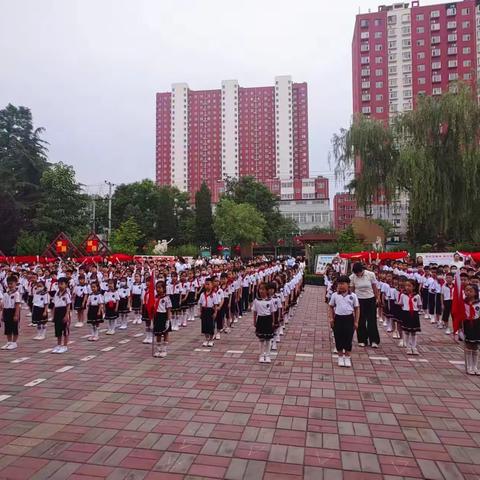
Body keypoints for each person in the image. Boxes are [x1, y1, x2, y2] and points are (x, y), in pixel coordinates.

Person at [328, 275, 360, 367]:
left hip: (349, 319)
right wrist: (331, 318)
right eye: (339, 284)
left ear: (348, 284)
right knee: (338, 337)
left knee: (348, 338)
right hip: (338, 318)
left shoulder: (353, 296)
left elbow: (357, 308)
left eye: (343, 284)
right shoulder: (335, 295)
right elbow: (330, 306)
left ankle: (347, 357)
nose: (340, 286)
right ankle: (340, 357)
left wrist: (356, 321)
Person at [350, 263, 380, 348]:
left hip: (370, 298)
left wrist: (377, 298)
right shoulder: (352, 277)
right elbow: (352, 290)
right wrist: (351, 301)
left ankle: (374, 340)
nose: (358, 275)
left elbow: (374, 287)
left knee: (372, 320)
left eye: (359, 273)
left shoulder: (370, 274)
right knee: (360, 320)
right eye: (356, 273)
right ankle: (362, 340)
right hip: (359, 300)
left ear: (362, 270)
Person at [253, 282, 275, 363]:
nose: (261, 291)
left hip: (268, 319)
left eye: (263, 289)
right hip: (260, 319)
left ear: (267, 291)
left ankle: (268, 355)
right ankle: (261, 355)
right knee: (261, 339)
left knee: (268, 339)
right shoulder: (256, 300)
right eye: (260, 289)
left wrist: (273, 321)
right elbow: (255, 312)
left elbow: (272, 312)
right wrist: (254, 321)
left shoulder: (270, 301)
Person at [399, 279, 422, 355]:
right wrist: (405, 310)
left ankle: (414, 347)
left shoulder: (417, 296)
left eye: (410, 286)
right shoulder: (403, 295)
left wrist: (416, 311)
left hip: (414, 314)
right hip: (406, 313)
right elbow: (401, 304)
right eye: (406, 286)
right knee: (406, 331)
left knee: (414, 332)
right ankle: (408, 347)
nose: (407, 287)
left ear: (414, 287)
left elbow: (419, 305)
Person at [462, 284, 480, 375]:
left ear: (476, 293)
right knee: (469, 345)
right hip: (467, 324)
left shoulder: (478, 303)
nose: (468, 292)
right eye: (466, 291)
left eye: (470, 291)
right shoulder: (463, 303)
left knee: (475, 345)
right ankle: (469, 366)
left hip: (477, 324)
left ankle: (475, 366)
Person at [1, 275, 21, 350]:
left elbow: (17, 304)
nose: (10, 285)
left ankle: (14, 342)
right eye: (8, 283)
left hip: (13, 311)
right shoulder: (6, 294)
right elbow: (4, 305)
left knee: (14, 327)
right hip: (6, 311)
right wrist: (2, 314)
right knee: (7, 327)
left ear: (15, 283)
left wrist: (16, 315)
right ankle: (9, 342)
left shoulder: (16, 293)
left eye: (11, 283)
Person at [51, 277, 71, 354]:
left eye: (62, 284)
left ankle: (65, 346)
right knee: (58, 329)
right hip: (57, 311)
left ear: (66, 285)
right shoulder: (56, 293)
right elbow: (54, 305)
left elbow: (68, 305)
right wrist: (53, 315)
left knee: (65, 329)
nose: (59, 285)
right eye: (58, 284)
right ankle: (58, 345)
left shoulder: (66, 294)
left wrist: (66, 315)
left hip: (64, 311)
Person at [153, 281, 172, 358]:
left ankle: (164, 350)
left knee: (165, 333)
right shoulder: (155, 297)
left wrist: (168, 320)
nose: (158, 289)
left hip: (164, 316)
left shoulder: (166, 298)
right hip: (157, 316)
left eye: (160, 288)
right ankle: (158, 349)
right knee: (158, 333)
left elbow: (168, 310)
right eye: (157, 287)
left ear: (164, 289)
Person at [199, 277, 216, 347]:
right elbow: (200, 303)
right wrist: (200, 312)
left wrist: (215, 313)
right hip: (204, 310)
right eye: (206, 284)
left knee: (211, 325)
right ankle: (206, 339)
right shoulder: (202, 294)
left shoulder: (214, 294)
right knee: (204, 325)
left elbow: (215, 305)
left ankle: (211, 340)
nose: (207, 286)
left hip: (210, 310)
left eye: (208, 284)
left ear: (212, 285)